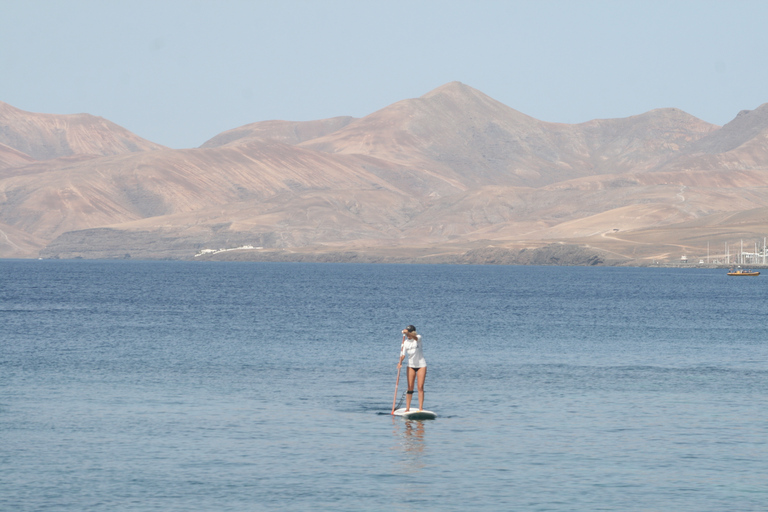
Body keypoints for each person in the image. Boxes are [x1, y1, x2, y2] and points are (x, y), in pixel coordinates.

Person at [398, 324, 427, 411]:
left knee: (420, 387)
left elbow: (415, 337)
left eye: (409, 333)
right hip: (411, 365)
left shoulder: (418, 338)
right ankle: (407, 408)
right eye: (407, 334)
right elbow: (403, 355)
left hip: (421, 365)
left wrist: (409, 333)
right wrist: (400, 362)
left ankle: (420, 408)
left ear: (412, 332)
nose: (408, 336)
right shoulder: (405, 343)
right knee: (410, 387)